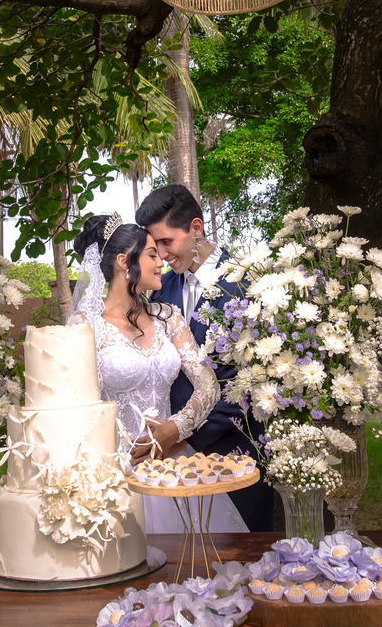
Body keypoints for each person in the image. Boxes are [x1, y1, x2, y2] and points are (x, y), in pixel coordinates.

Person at [69, 212, 247, 533]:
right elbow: (76, 407)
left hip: (174, 462)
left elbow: (208, 385)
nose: (161, 261)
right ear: (124, 262)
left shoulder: (167, 317)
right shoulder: (85, 326)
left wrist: (174, 429)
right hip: (114, 470)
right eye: (152, 254)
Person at [136, 185, 275, 532]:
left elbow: (254, 382)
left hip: (235, 456)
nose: (162, 255)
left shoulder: (246, 285)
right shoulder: (162, 290)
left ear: (196, 228)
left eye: (167, 242)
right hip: (172, 464)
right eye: (155, 246)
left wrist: (181, 434)